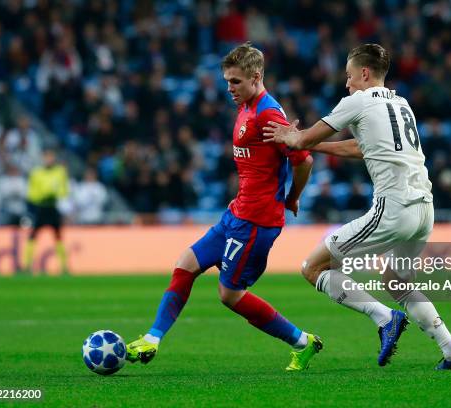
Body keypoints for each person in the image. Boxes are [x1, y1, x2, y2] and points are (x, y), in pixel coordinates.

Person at [264, 44, 451, 369]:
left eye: (349, 76)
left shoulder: (357, 101)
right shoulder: (401, 104)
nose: (346, 84)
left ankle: (385, 318)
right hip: (425, 208)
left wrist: (288, 135)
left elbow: (299, 141)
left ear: (363, 73)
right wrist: (311, 143)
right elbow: (363, 148)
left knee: (313, 267)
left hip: (394, 209)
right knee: (396, 278)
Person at [126, 43, 320, 371]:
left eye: (235, 81)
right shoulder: (247, 107)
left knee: (229, 295)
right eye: (227, 81)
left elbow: (304, 160)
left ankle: (303, 342)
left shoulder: (267, 113)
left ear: (256, 76)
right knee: (186, 263)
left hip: (257, 221)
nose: (229, 88)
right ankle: (153, 338)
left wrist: (293, 196)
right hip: (236, 213)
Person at [23, 148, 70, 274]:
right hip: (41, 208)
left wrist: (55, 194)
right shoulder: (36, 173)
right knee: (32, 236)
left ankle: (64, 267)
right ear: (43, 158)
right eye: (46, 157)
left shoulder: (60, 171)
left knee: (58, 237)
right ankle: (27, 266)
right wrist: (43, 194)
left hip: (53, 207)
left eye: (51, 156)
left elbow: (64, 191)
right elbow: (31, 194)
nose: (48, 159)